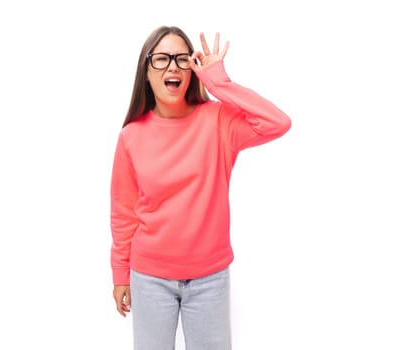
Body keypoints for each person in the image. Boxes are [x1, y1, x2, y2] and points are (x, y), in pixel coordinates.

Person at [109, 25, 291, 349]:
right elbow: (123, 213)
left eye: (182, 59)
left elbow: (277, 122)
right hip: (149, 278)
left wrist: (219, 82)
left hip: (209, 279)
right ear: (146, 71)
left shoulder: (218, 121)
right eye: (162, 59)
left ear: (192, 72)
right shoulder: (131, 136)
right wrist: (120, 274)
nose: (173, 67)